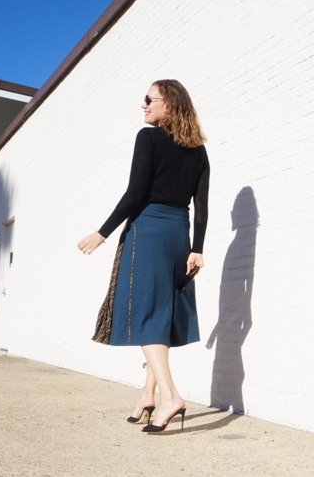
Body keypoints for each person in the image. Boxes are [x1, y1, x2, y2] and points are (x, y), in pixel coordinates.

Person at [78, 79, 210, 433]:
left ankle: (170, 396)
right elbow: (202, 205)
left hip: (148, 231)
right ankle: (148, 395)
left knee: (145, 313)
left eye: (149, 99)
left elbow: (136, 193)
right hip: (179, 235)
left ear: (169, 104)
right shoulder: (198, 150)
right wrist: (197, 248)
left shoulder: (147, 138)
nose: (144, 105)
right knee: (161, 313)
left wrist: (102, 233)